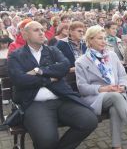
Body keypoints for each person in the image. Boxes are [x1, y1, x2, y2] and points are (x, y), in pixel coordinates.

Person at [8, 21, 98, 149]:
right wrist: (49, 79)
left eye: (42, 29)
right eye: (36, 30)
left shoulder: (52, 50)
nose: (41, 32)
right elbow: (20, 80)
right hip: (34, 103)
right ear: (25, 35)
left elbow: (65, 66)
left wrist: (39, 71)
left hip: (61, 98)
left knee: (89, 120)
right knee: (47, 140)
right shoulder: (16, 56)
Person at [75, 25, 127, 149]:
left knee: (115, 108)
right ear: (90, 40)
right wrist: (104, 89)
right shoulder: (81, 61)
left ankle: (116, 146)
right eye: (100, 38)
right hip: (96, 97)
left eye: (105, 38)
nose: (104, 41)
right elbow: (82, 88)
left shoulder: (112, 55)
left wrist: (122, 86)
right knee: (116, 97)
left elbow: (122, 75)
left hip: (116, 94)